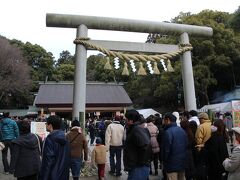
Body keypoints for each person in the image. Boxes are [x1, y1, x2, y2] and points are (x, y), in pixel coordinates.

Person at [39, 115, 70, 180]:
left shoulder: (50, 139)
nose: (45, 125)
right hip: (64, 175)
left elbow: (48, 162)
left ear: (50, 126)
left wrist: (43, 177)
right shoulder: (66, 138)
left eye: (46, 123)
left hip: (52, 176)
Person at [123, 109, 152, 180]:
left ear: (131, 120)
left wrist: (140, 163)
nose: (125, 121)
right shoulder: (134, 129)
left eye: (126, 119)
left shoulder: (137, 130)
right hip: (136, 166)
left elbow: (146, 146)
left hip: (138, 167)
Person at [162, 112, 188, 180]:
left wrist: (164, 161)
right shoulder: (181, 130)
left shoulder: (167, 132)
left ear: (167, 120)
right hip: (182, 162)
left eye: (164, 119)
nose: (163, 121)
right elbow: (186, 145)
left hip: (171, 164)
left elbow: (166, 150)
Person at [194, 112, 212, 180]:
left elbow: (198, 139)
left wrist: (198, 150)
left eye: (199, 119)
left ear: (202, 119)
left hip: (203, 149)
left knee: (203, 166)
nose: (199, 120)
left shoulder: (201, 126)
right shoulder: (211, 124)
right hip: (211, 148)